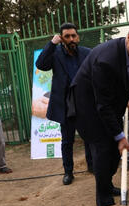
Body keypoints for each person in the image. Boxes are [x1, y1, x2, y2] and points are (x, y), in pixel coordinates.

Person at [70, 21, 129, 206]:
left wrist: (125, 99)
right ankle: (105, 204)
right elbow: (102, 105)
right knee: (102, 151)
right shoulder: (106, 60)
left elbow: (124, 82)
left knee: (115, 153)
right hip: (88, 108)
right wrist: (120, 136)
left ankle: (107, 184)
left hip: (106, 104)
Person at [36, 22, 93, 185]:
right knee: (67, 141)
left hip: (83, 102)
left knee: (88, 137)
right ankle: (68, 172)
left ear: (78, 37)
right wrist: (51, 44)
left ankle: (92, 165)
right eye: (67, 36)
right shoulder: (55, 54)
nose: (71, 39)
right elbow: (40, 65)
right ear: (61, 38)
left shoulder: (87, 53)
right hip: (65, 104)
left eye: (73, 35)